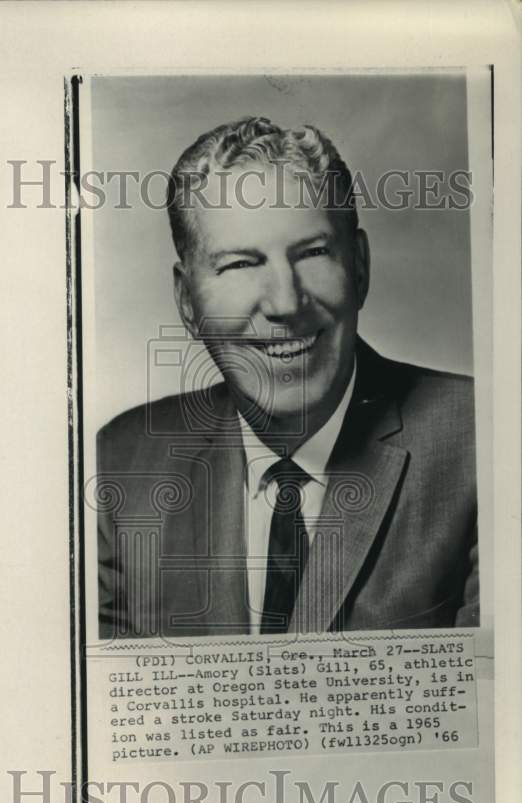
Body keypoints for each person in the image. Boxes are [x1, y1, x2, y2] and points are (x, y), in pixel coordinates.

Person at [96, 115, 478, 639]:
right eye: (239, 264)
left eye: (313, 253)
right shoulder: (120, 462)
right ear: (187, 301)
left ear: (360, 269)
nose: (285, 302)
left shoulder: (485, 444)